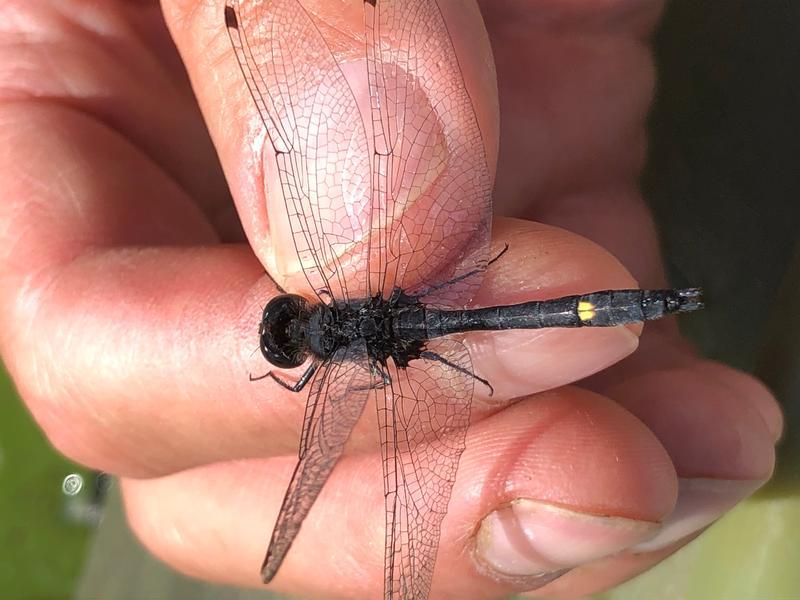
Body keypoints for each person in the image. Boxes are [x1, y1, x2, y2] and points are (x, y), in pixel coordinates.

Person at [0, 1, 781, 598]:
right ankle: (653, 302)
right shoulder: (339, 297)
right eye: (285, 333)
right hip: (428, 300)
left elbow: (318, 387)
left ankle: (657, 305)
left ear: (305, 339)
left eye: (286, 337)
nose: (288, 334)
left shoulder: (326, 362)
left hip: (429, 320)